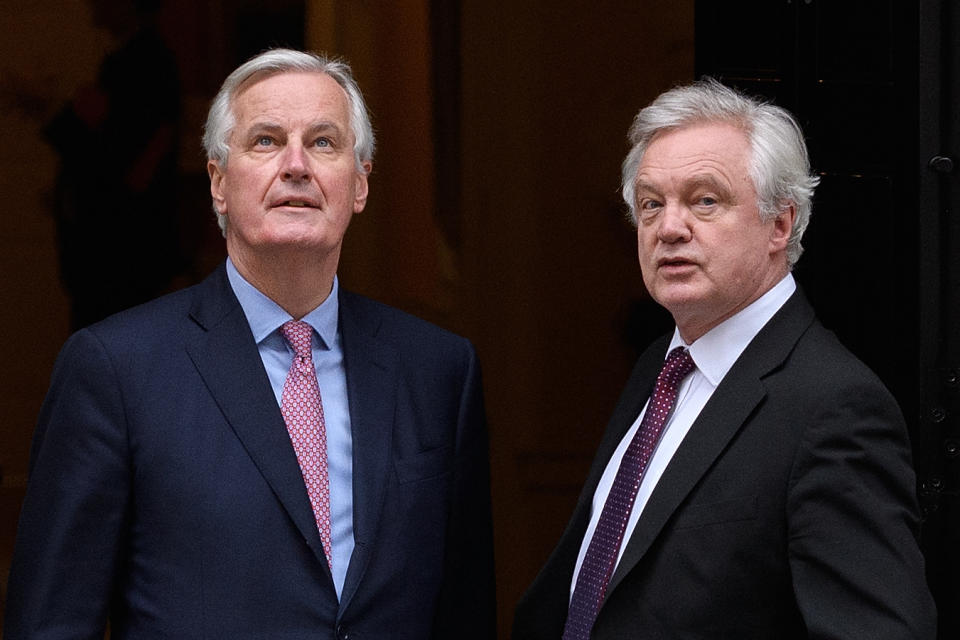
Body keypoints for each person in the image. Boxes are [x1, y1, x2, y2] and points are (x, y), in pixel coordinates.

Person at [5, 48, 495, 639]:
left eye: (323, 142)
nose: (295, 165)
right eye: (266, 140)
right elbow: (52, 622)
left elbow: (465, 611)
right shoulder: (116, 368)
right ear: (218, 181)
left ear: (359, 183)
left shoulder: (438, 370)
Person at [512, 79, 935, 639]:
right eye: (651, 204)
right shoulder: (660, 368)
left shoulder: (833, 408)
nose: (669, 228)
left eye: (705, 200)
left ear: (780, 225)